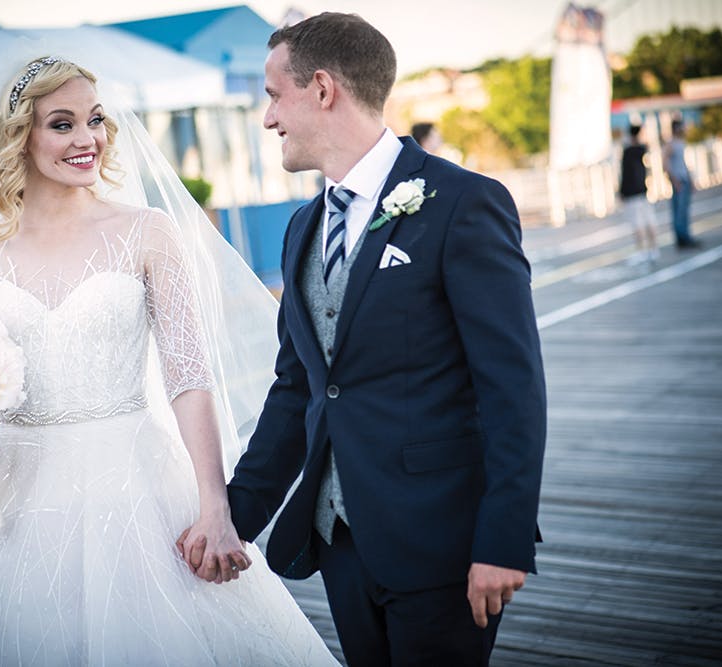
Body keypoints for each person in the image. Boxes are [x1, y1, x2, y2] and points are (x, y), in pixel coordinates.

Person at [0, 56, 338, 665]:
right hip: (17, 507)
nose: (87, 139)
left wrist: (215, 506)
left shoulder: (147, 232)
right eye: (61, 124)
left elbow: (189, 378)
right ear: (19, 139)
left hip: (138, 489)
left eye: (95, 120)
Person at [202, 13, 547, 666]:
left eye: (275, 96)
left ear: (323, 89)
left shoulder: (462, 203)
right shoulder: (303, 226)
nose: (268, 118)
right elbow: (298, 386)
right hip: (341, 546)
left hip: (443, 541)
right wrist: (232, 519)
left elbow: (514, 386)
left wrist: (503, 539)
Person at [619, 124, 660, 265]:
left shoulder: (628, 151)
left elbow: (625, 175)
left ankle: (642, 251)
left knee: (638, 224)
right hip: (643, 190)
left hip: (632, 193)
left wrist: (622, 192)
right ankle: (654, 250)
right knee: (649, 220)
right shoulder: (643, 150)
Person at [662, 119, 700, 249]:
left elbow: (684, 164)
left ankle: (685, 237)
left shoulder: (680, 143)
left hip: (684, 179)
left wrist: (691, 181)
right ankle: (682, 238)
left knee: (683, 211)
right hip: (678, 181)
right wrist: (674, 180)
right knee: (679, 211)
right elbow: (665, 164)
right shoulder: (671, 144)